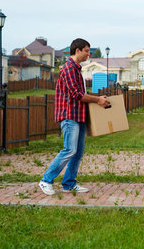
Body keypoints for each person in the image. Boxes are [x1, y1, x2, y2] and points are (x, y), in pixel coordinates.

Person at [38, 38, 111, 195]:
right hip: (69, 115)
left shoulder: (77, 69)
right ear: (77, 51)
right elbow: (77, 94)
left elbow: (81, 94)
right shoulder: (69, 69)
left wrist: (99, 99)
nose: (88, 54)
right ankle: (46, 180)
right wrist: (97, 100)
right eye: (86, 51)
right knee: (69, 150)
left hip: (79, 116)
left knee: (77, 152)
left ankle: (69, 184)